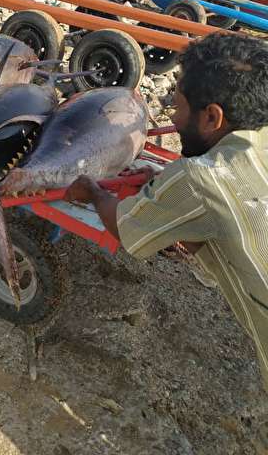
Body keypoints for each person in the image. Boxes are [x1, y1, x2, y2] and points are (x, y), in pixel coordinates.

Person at [65, 32, 268, 390]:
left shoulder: (199, 179)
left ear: (212, 117)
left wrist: (94, 192)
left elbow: (127, 229)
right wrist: (162, 179)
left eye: (178, 106)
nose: (173, 117)